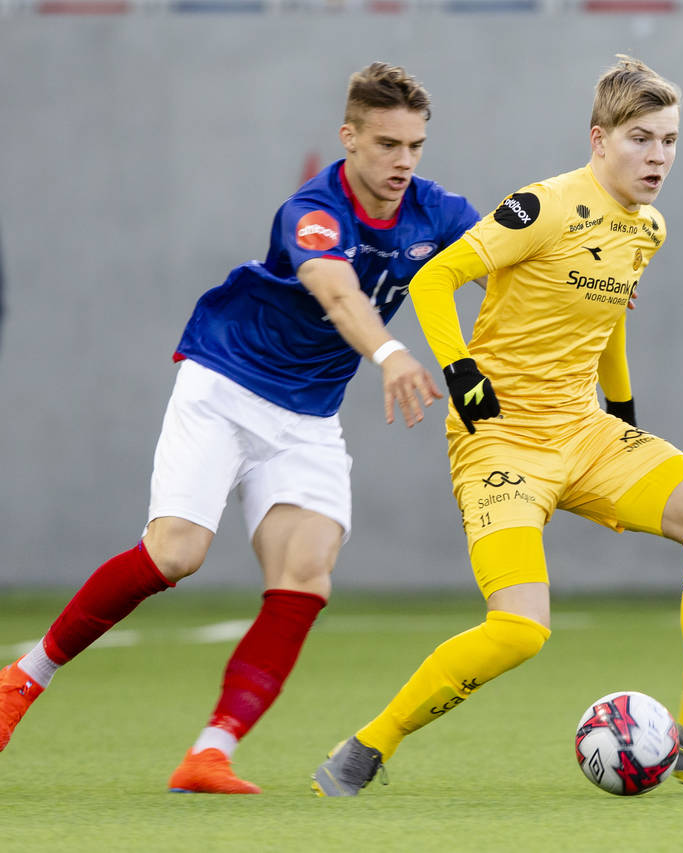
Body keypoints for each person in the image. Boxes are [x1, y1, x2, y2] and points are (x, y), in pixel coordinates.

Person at [311, 55, 683, 797]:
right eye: (641, 138)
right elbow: (432, 277)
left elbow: (606, 323)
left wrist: (625, 412)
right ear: (598, 139)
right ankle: (369, 744)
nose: (658, 156)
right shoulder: (541, 207)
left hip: (586, 432)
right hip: (500, 438)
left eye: (669, 140)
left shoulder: (649, 228)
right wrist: (460, 370)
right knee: (520, 629)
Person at [0, 62, 481, 793]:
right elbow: (336, 288)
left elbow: (505, 259)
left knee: (306, 575)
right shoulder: (313, 212)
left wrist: (582, 286)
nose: (403, 161)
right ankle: (22, 681)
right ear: (348, 138)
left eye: (414, 144)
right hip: (225, 385)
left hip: (307, 417)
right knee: (175, 553)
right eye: (387, 144)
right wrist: (387, 352)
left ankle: (209, 753)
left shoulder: (434, 210)